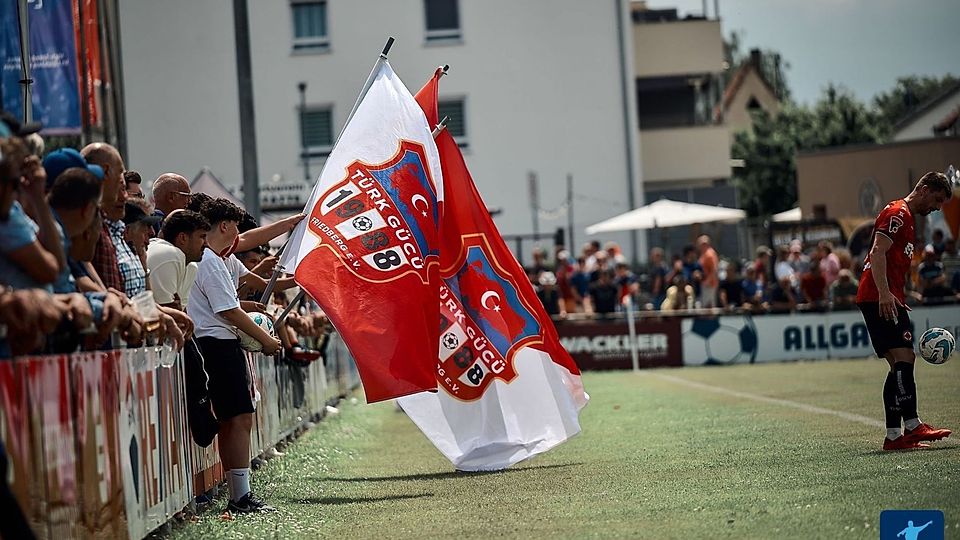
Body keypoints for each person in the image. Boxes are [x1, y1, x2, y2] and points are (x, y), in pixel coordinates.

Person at [186, 197, 280, 513]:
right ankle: (240, 498)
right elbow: (227, 311)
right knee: (238, 418)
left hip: (217, 345)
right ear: (225, 225)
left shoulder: (213, 259)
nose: (238, 234)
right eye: (236, 227)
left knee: (233, 420)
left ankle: (239, 493)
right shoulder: (210, 261)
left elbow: (229, 306)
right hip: (217, 347)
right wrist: (266, 339)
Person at [856, 171, 953, 451]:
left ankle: (894, 436)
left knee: (899, 362)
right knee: (905, 356)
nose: (935, 208)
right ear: (922, 189)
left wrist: (901, 292)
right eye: (935, 200)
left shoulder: (907, 219)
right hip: (879, 296)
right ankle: (911, 425)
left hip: (884, 295)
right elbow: (877, 253)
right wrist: (886, 294)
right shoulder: (898, 213)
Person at [147, 210, 209, 310]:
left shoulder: (191, 266)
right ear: (183, 238)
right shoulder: (170, 254)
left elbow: (180, 313)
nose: (206, 244)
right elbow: (168, 312)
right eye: (202, 237)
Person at [697, 235, 719, 308]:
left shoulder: (709, 254)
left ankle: (711, 319)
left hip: (709, 284)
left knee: (708, 305)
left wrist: (708, 281)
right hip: (705, 283)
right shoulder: (704, 254)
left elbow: (714, 269)